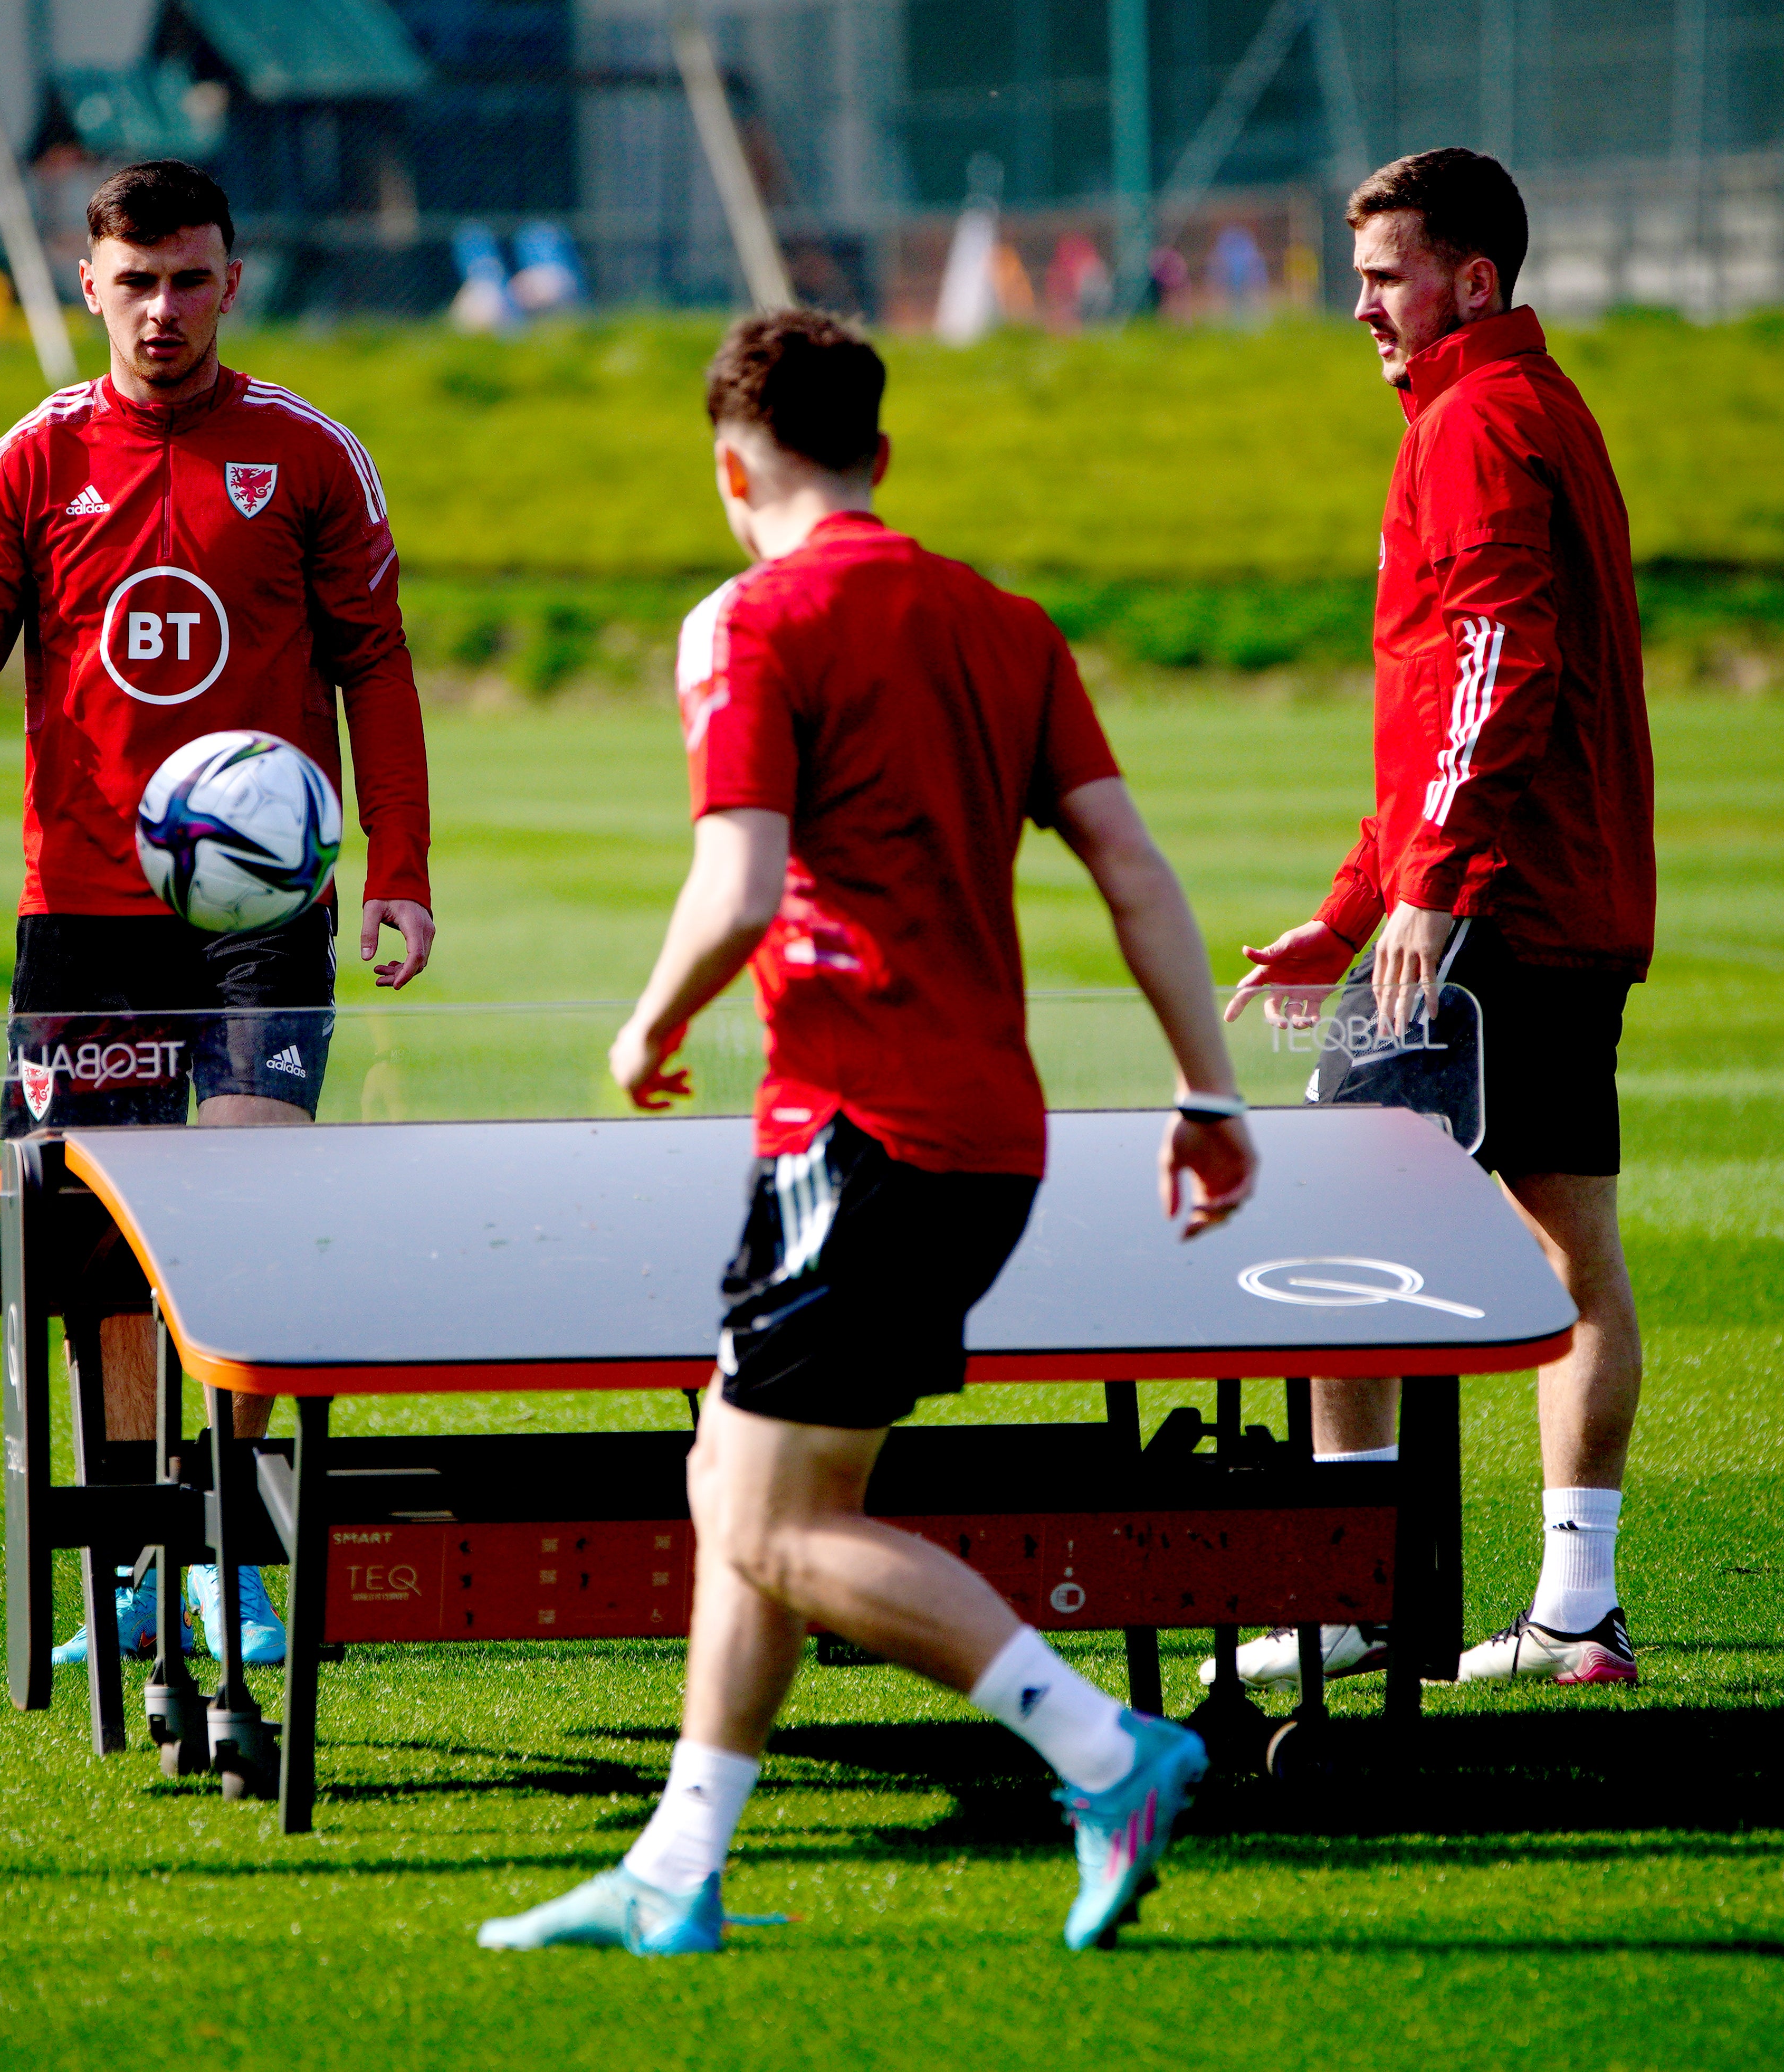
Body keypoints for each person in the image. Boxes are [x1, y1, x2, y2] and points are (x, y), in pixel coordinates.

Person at [478, 313, 1257, 1959]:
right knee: (737, 1481)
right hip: (989, 1138)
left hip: (855, 1133)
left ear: (727, 471)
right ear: (883, 458)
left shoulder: (754, 622)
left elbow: (739, 884)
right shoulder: (1004, 622)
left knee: (768, 1523)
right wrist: (1210, 1092)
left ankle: (1108, 1755)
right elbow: (1131, 869)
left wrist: (650, 1023)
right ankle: (677, 1871)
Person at [0, 160, 433, 1668]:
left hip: (263, 918)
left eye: (190, 279)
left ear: (232, 283)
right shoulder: (34, 461)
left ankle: (230, 1551)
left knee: (242, 1218)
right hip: (88, 917)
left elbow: (379, 667)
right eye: (135, 280)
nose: (163, 310)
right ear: (86, 281)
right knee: (97, 1249)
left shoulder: (306, 457)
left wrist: (404, 871)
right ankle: (125, 1574)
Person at [1214, 148, 1654, 1694]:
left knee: (1340, 1242)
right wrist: (1347, 913)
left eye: (1387, 277)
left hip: (1487, 920)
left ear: (1474, 280)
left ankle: (1352, 1599)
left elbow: (1494, 666)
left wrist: (1423, 892)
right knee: (1570, 1259)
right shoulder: (1539, 409)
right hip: (1550, 909)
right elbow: (1437, 722)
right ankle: (1576, 1615)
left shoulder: (1472, 425)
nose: (1362, 309)